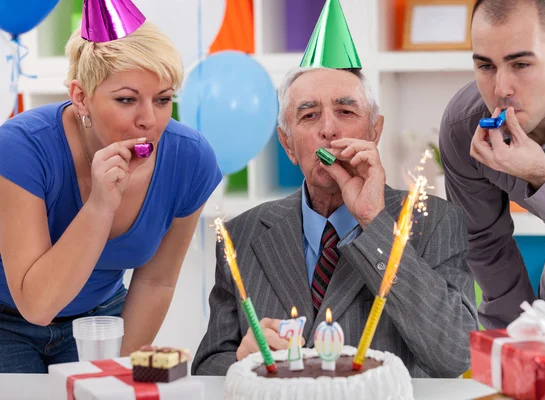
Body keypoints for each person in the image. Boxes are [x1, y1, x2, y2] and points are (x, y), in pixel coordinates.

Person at [193, 61, 478, 378]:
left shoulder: (435, 221)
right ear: (288, 145)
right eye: (309, 115)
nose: (328, 129)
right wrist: (242, 362)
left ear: (374, 132)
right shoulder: (241, 235)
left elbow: (457, 355)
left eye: (345, 111)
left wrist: (374, 223)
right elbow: (207, 367)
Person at [0, 0, 222, 373]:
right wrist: (100, 206)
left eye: (164, 100)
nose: (148, 120)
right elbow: (37, 305)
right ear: (81, 97)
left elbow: (156, 281)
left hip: (102, 322)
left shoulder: (190, 159)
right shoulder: (20, 148)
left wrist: (117, 376)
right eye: (126, 100)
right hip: (8, 321)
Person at [439, 0, 545, 331]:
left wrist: (544, 178)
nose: (501, 90)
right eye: (486, 66)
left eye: (521, 64)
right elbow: (486, 247)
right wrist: (525, 347)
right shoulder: (463, 127)